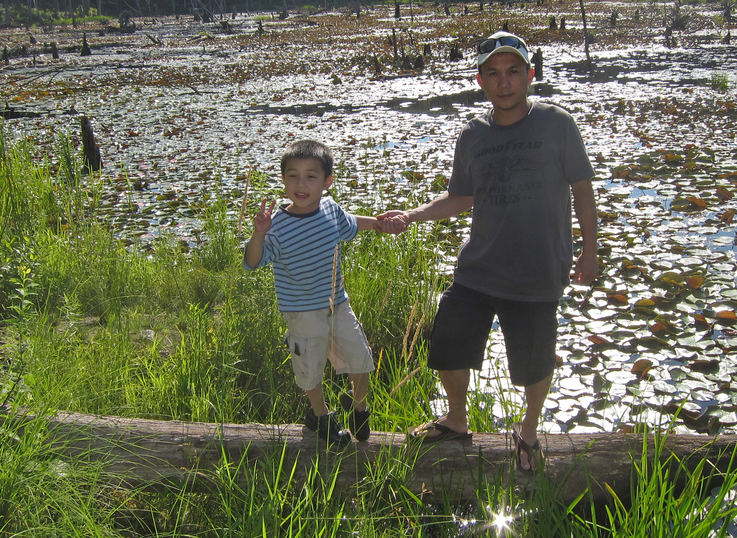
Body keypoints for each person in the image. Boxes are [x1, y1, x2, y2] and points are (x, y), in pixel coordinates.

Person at [379, 31, 600, 472]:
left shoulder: (557, 123)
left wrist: (590, 249)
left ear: (530, 75)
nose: (504, 82)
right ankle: (456, 419)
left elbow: (582, 189)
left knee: (535, 360)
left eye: (513, 71)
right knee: (448, 340)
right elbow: (461, 198)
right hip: (479, 267)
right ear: (481, 81)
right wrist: (412, 215)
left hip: (537, 269)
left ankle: (529, 430)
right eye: (494, 74)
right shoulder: (473, 134)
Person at [244, 139, 379, 446]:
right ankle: (319, 415)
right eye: (293, 176)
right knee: (310, 368)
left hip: (338, 304)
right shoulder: (277, 226)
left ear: (327, 181)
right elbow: (252, 262)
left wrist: (379, 223)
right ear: (283, 179)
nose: (301, 184)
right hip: (302, 312)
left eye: (311, 176)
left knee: (361, 358)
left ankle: (359, 408)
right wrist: (259, 233)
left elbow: (351, 224)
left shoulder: (330, 209)